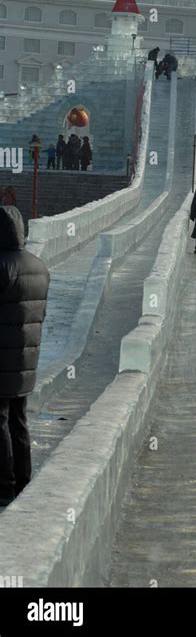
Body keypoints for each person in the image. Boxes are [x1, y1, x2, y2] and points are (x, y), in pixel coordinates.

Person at [0, 206, 50, 506]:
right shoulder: (39, 266)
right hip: (26, 361)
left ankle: (4, 487)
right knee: (18, 420)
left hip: (1, 362)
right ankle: (23, 482)